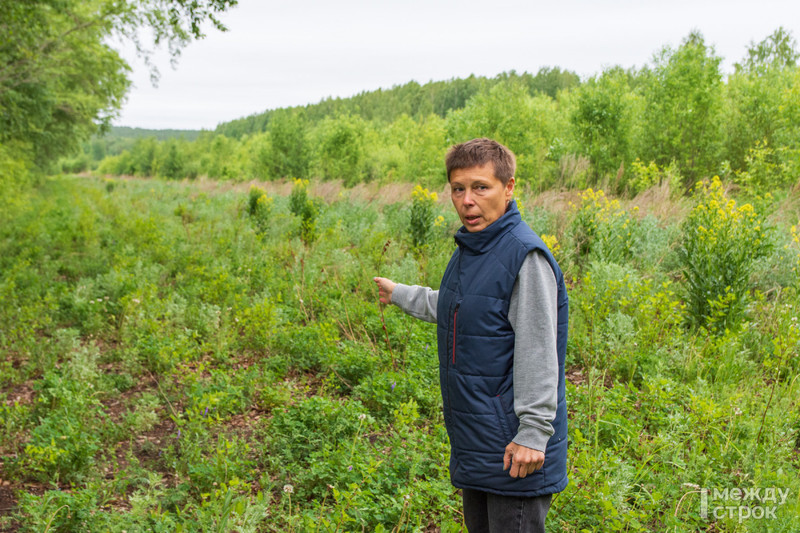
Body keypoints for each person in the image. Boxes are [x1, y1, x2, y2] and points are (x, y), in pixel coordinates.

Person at [374, 138, 568, 533]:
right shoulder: (474, 248)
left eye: (481, 187)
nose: (467, 201)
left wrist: (533, 433)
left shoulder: (523, 256)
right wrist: (400, 294)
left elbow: (538, 351)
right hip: (478, 439)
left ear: (509, 187)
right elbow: (458, 306)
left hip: (514, 447)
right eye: (458, 189)